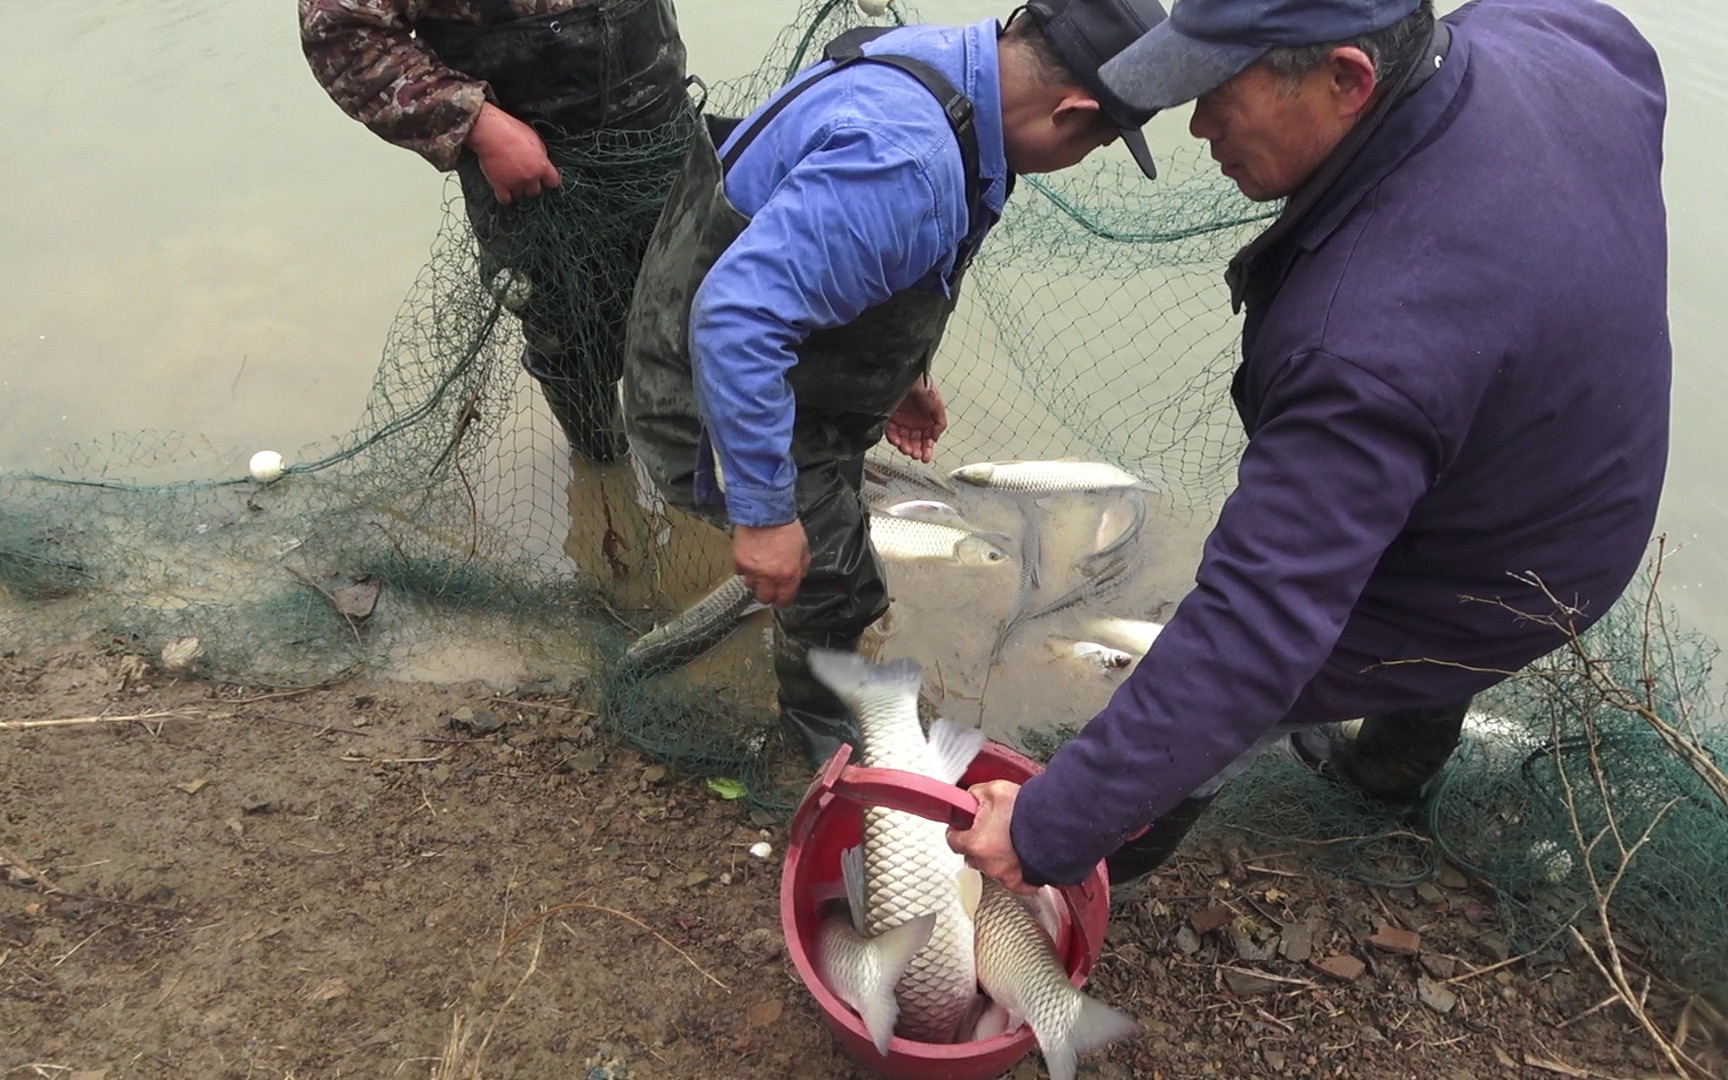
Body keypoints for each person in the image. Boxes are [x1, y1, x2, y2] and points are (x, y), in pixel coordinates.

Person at [947, 0, 1671, 893]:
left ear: (1347, 79)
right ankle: (1390, 772)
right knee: (1389, 595)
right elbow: (1632, 62)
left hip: (1510, 556)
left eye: (1219, 94)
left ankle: (1099, 864)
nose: (1199, 127)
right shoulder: (1564, 37)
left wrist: (1054, 822)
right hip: (1579, 470)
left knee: (1258, 682)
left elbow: (1251, 637)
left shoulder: (1367, 343)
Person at [622, 0, 1169, 766]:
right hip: (705, 393)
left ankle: (803, 614)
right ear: (1074, 112)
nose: (1089, 152)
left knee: (831, 533)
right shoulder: (906, 163)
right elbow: (739, 319)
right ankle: (819, 732)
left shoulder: (951, 65)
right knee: (838, 581)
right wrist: (764, 516)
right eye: (1103, 140)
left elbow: (833, 258)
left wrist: (903, 374)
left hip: (767, 356)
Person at [299, 0, 691, 604]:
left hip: (662, 134)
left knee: (697, 315)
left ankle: (701, 501)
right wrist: (476, 121)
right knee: (571, 338)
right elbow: (343, 33)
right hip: (537, 170)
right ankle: (606, 482)